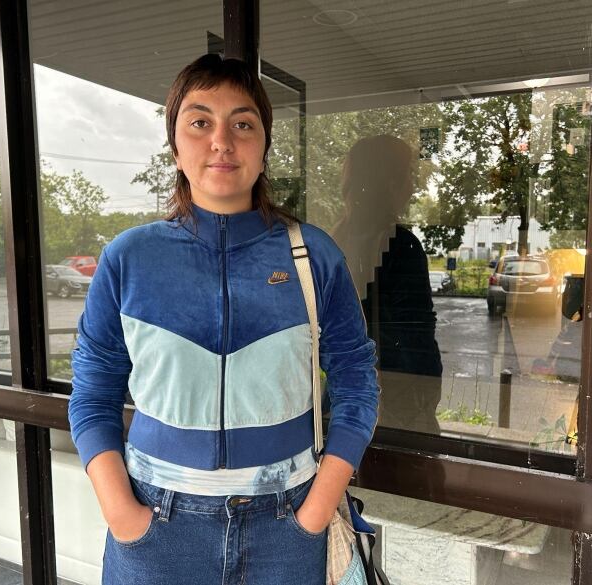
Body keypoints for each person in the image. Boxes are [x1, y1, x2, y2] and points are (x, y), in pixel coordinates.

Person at [67, 53, 380, 585]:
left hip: (288, 526)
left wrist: (316, 511)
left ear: (263, 146)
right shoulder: (129, 258)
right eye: (199, 121)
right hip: (157, 528)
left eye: (242, 123)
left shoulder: (312, 255)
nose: (221, 141)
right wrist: (124, 516)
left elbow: (356, 380)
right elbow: (92, 394)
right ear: (175, 144)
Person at [331, 135, 443, 435]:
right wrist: (426, 392)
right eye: (408, 174)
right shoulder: (400, 244)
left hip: (343, 389)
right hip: (395, 392)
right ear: (390, 182)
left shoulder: (333, 239)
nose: (413, 186)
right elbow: (415, 331)